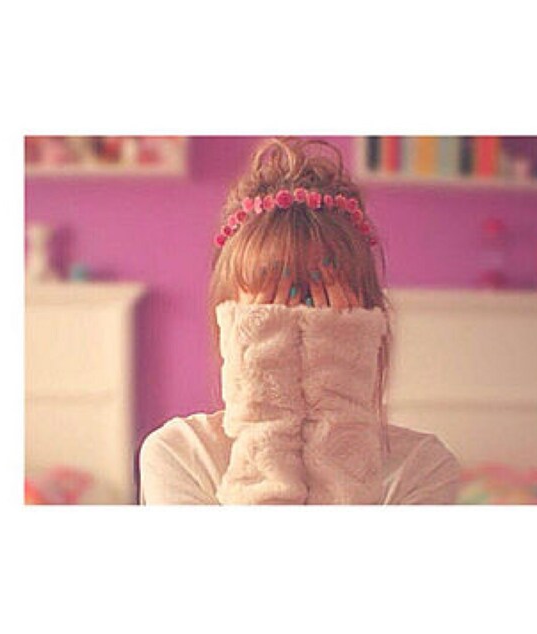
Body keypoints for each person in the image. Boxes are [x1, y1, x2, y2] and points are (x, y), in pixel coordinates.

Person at [139, 137, 460, 505]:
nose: (299, 320)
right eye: (274, 306)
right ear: (231, 319)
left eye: (321, 307)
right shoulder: (178, 454)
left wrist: (339, 421)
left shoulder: (424, 468)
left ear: (369, 324)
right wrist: (265, 418)